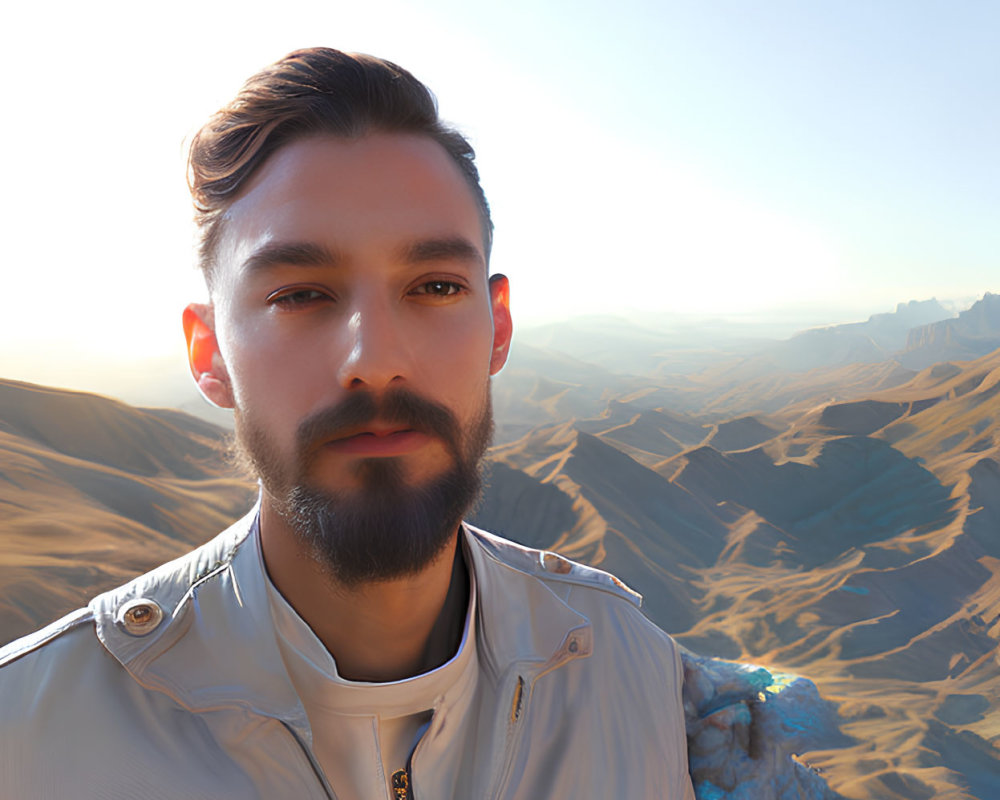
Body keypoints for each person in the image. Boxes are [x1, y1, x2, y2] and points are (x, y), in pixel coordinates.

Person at [0, 47, 695, 799]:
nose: (375, 360)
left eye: (434, 286)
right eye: (301, 295)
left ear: (496, 328)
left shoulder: (624, 665)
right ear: (211, 354)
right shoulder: (32, 735)